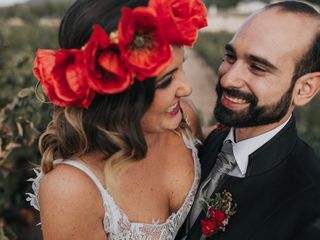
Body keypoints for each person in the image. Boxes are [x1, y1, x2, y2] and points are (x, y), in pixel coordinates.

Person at [26, 0, 208, 239]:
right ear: (116, 90)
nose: (186, 88)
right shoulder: (71, 190)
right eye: (166, 81)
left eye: (181, 67)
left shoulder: (183, 121)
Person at [179, 1, 320, 240]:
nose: (228, 80)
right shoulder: (210, 139)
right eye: (230, 57)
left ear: (304, 89)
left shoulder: (311, 207)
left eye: (257, 67)